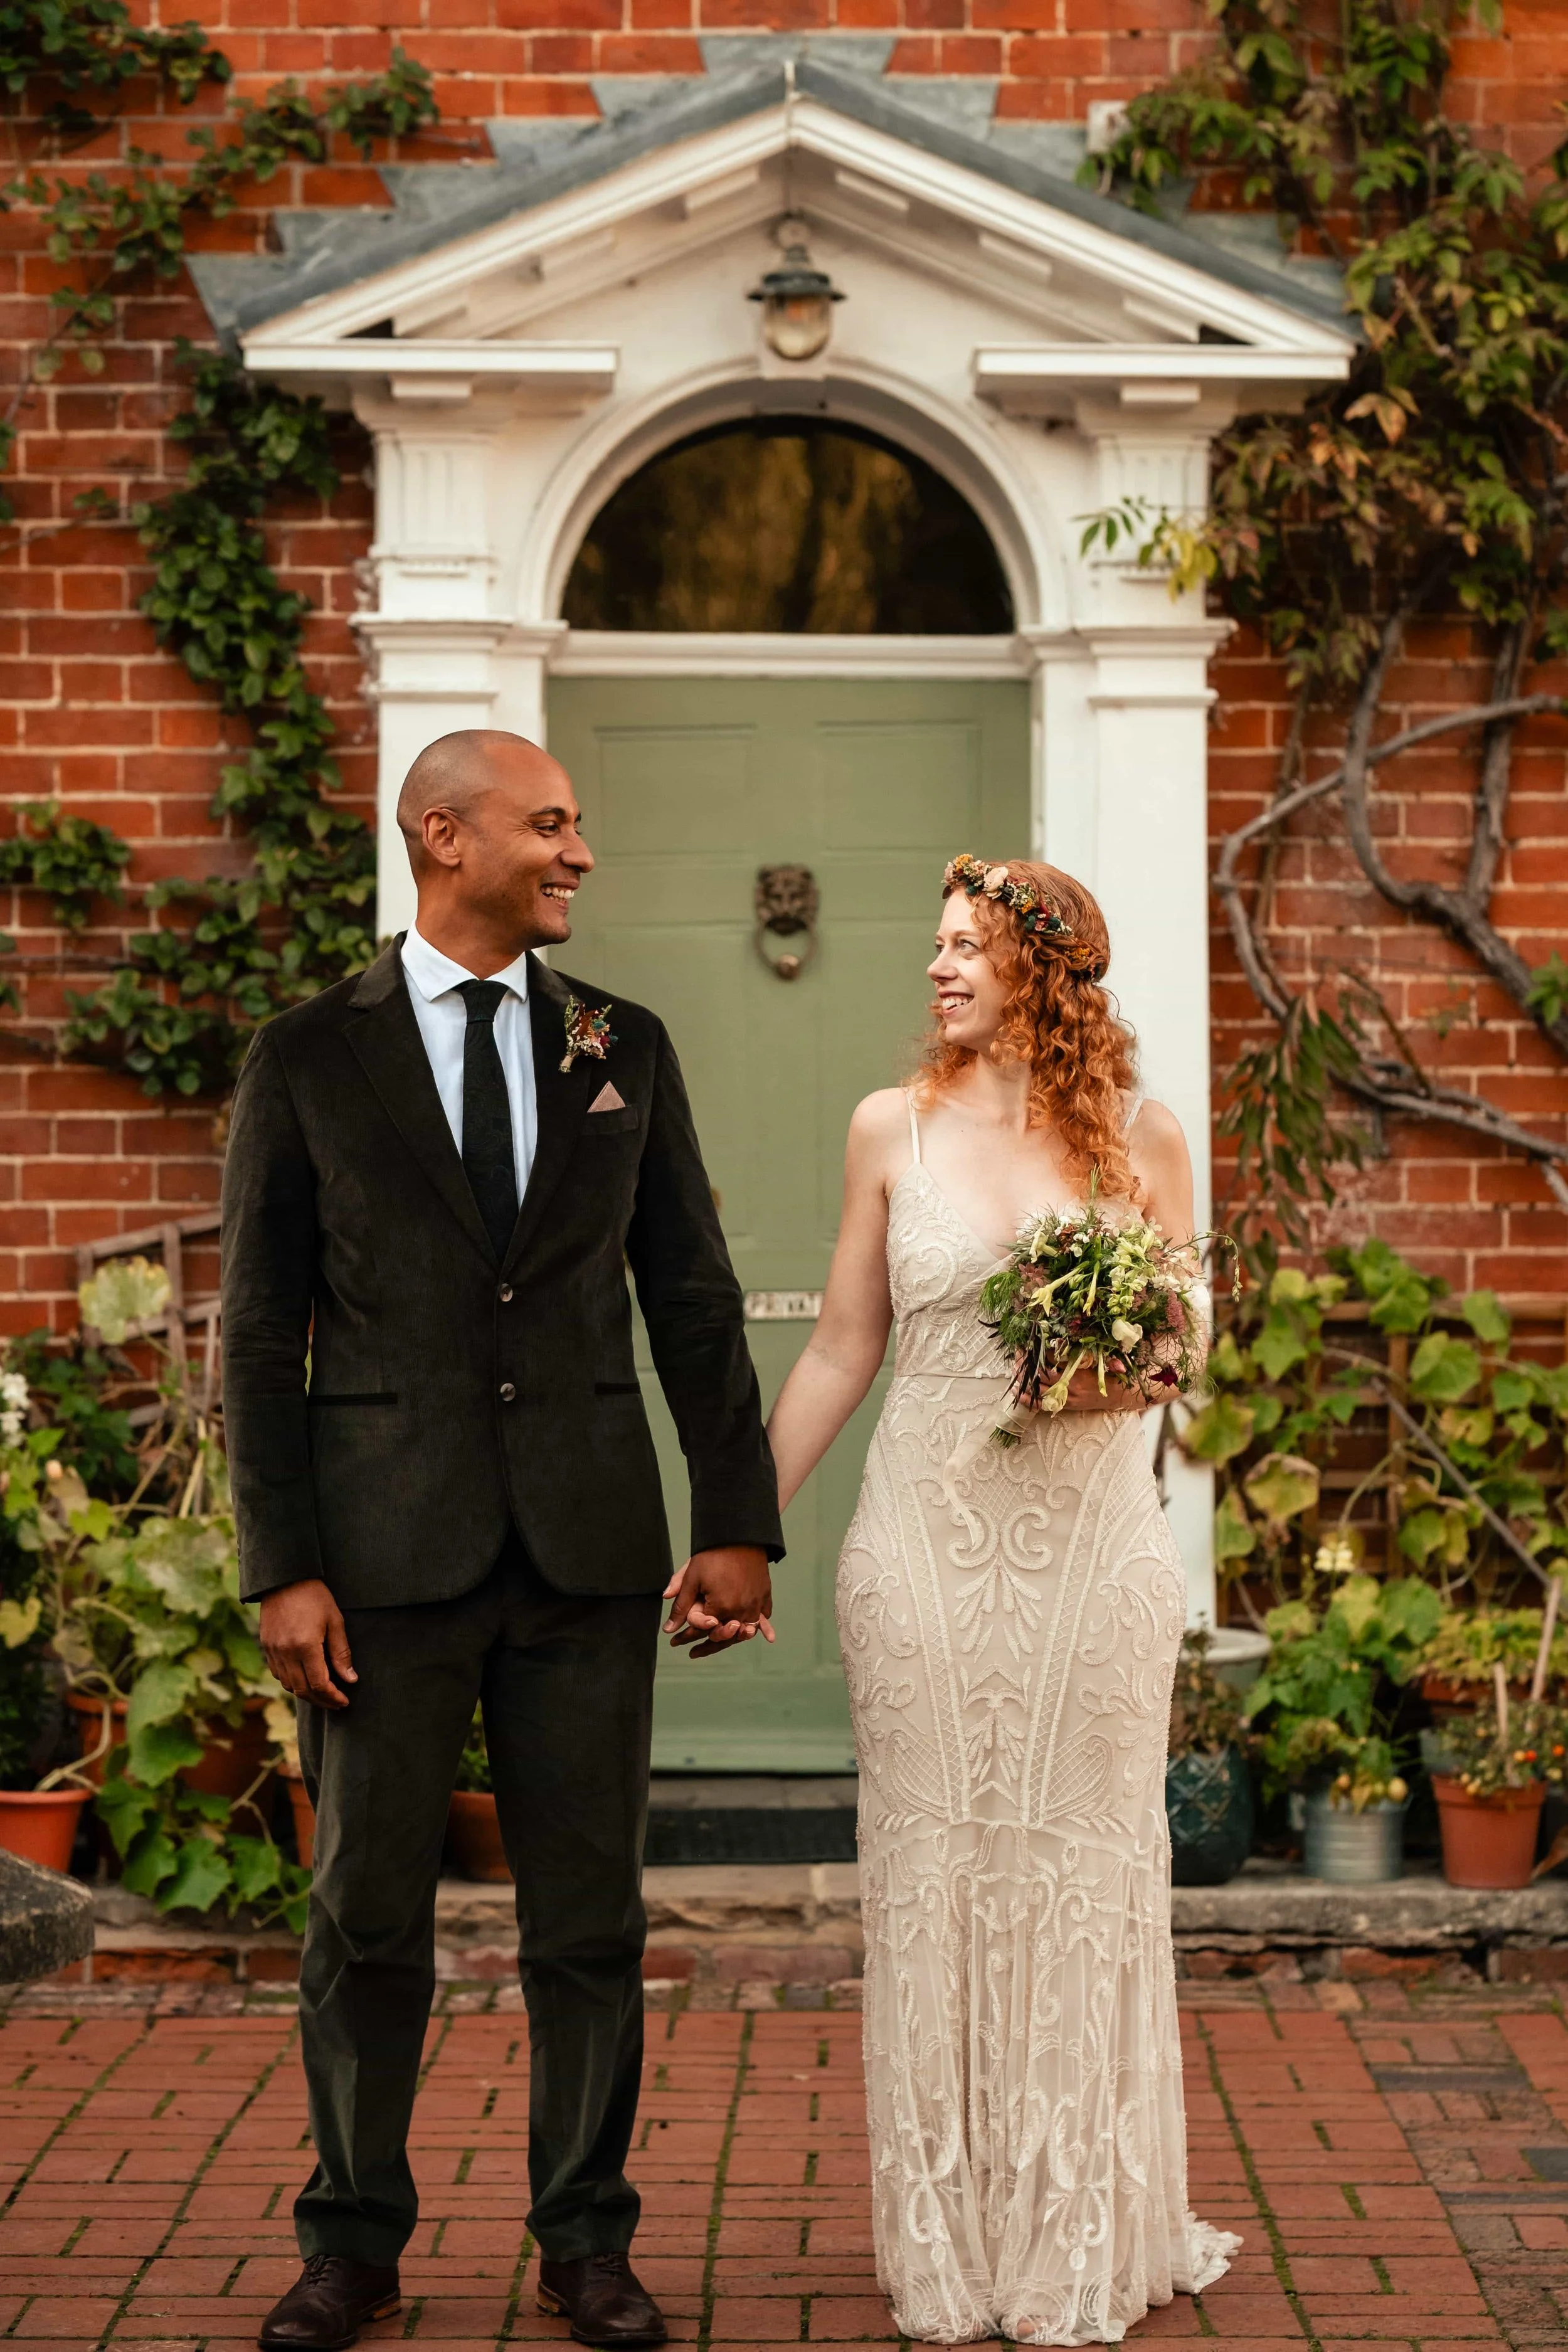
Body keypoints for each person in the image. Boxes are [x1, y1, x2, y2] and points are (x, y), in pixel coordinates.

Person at [221, 729, 781, 2352]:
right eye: (548, 823)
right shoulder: (306, 1056)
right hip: (376, 1558)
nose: (577, 851)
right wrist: (280, 1562)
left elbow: (690, 1293)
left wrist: (733, 1518)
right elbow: (256, 1328)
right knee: (363, 1917)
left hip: (587, 1545)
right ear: (441, 836)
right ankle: (350, 2243)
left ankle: (586, 2245)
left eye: (576, 824)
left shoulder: (621, 1043)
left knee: (589, 1923)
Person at [765, 856, 1239, 2346]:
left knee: (1078, 1880)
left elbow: (1183, 1350)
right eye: (936, 943)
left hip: (1090, 1558)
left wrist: (1122, 1349)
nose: (937, 967)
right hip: (919, 1554)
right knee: (936, 1878)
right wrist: (737, 1527)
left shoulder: (1144, 1138)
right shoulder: (886, 1126)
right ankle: (950, 2243)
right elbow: (841, 1346)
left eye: (965, 945)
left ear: (1045, 968)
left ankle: (1073, 2232)